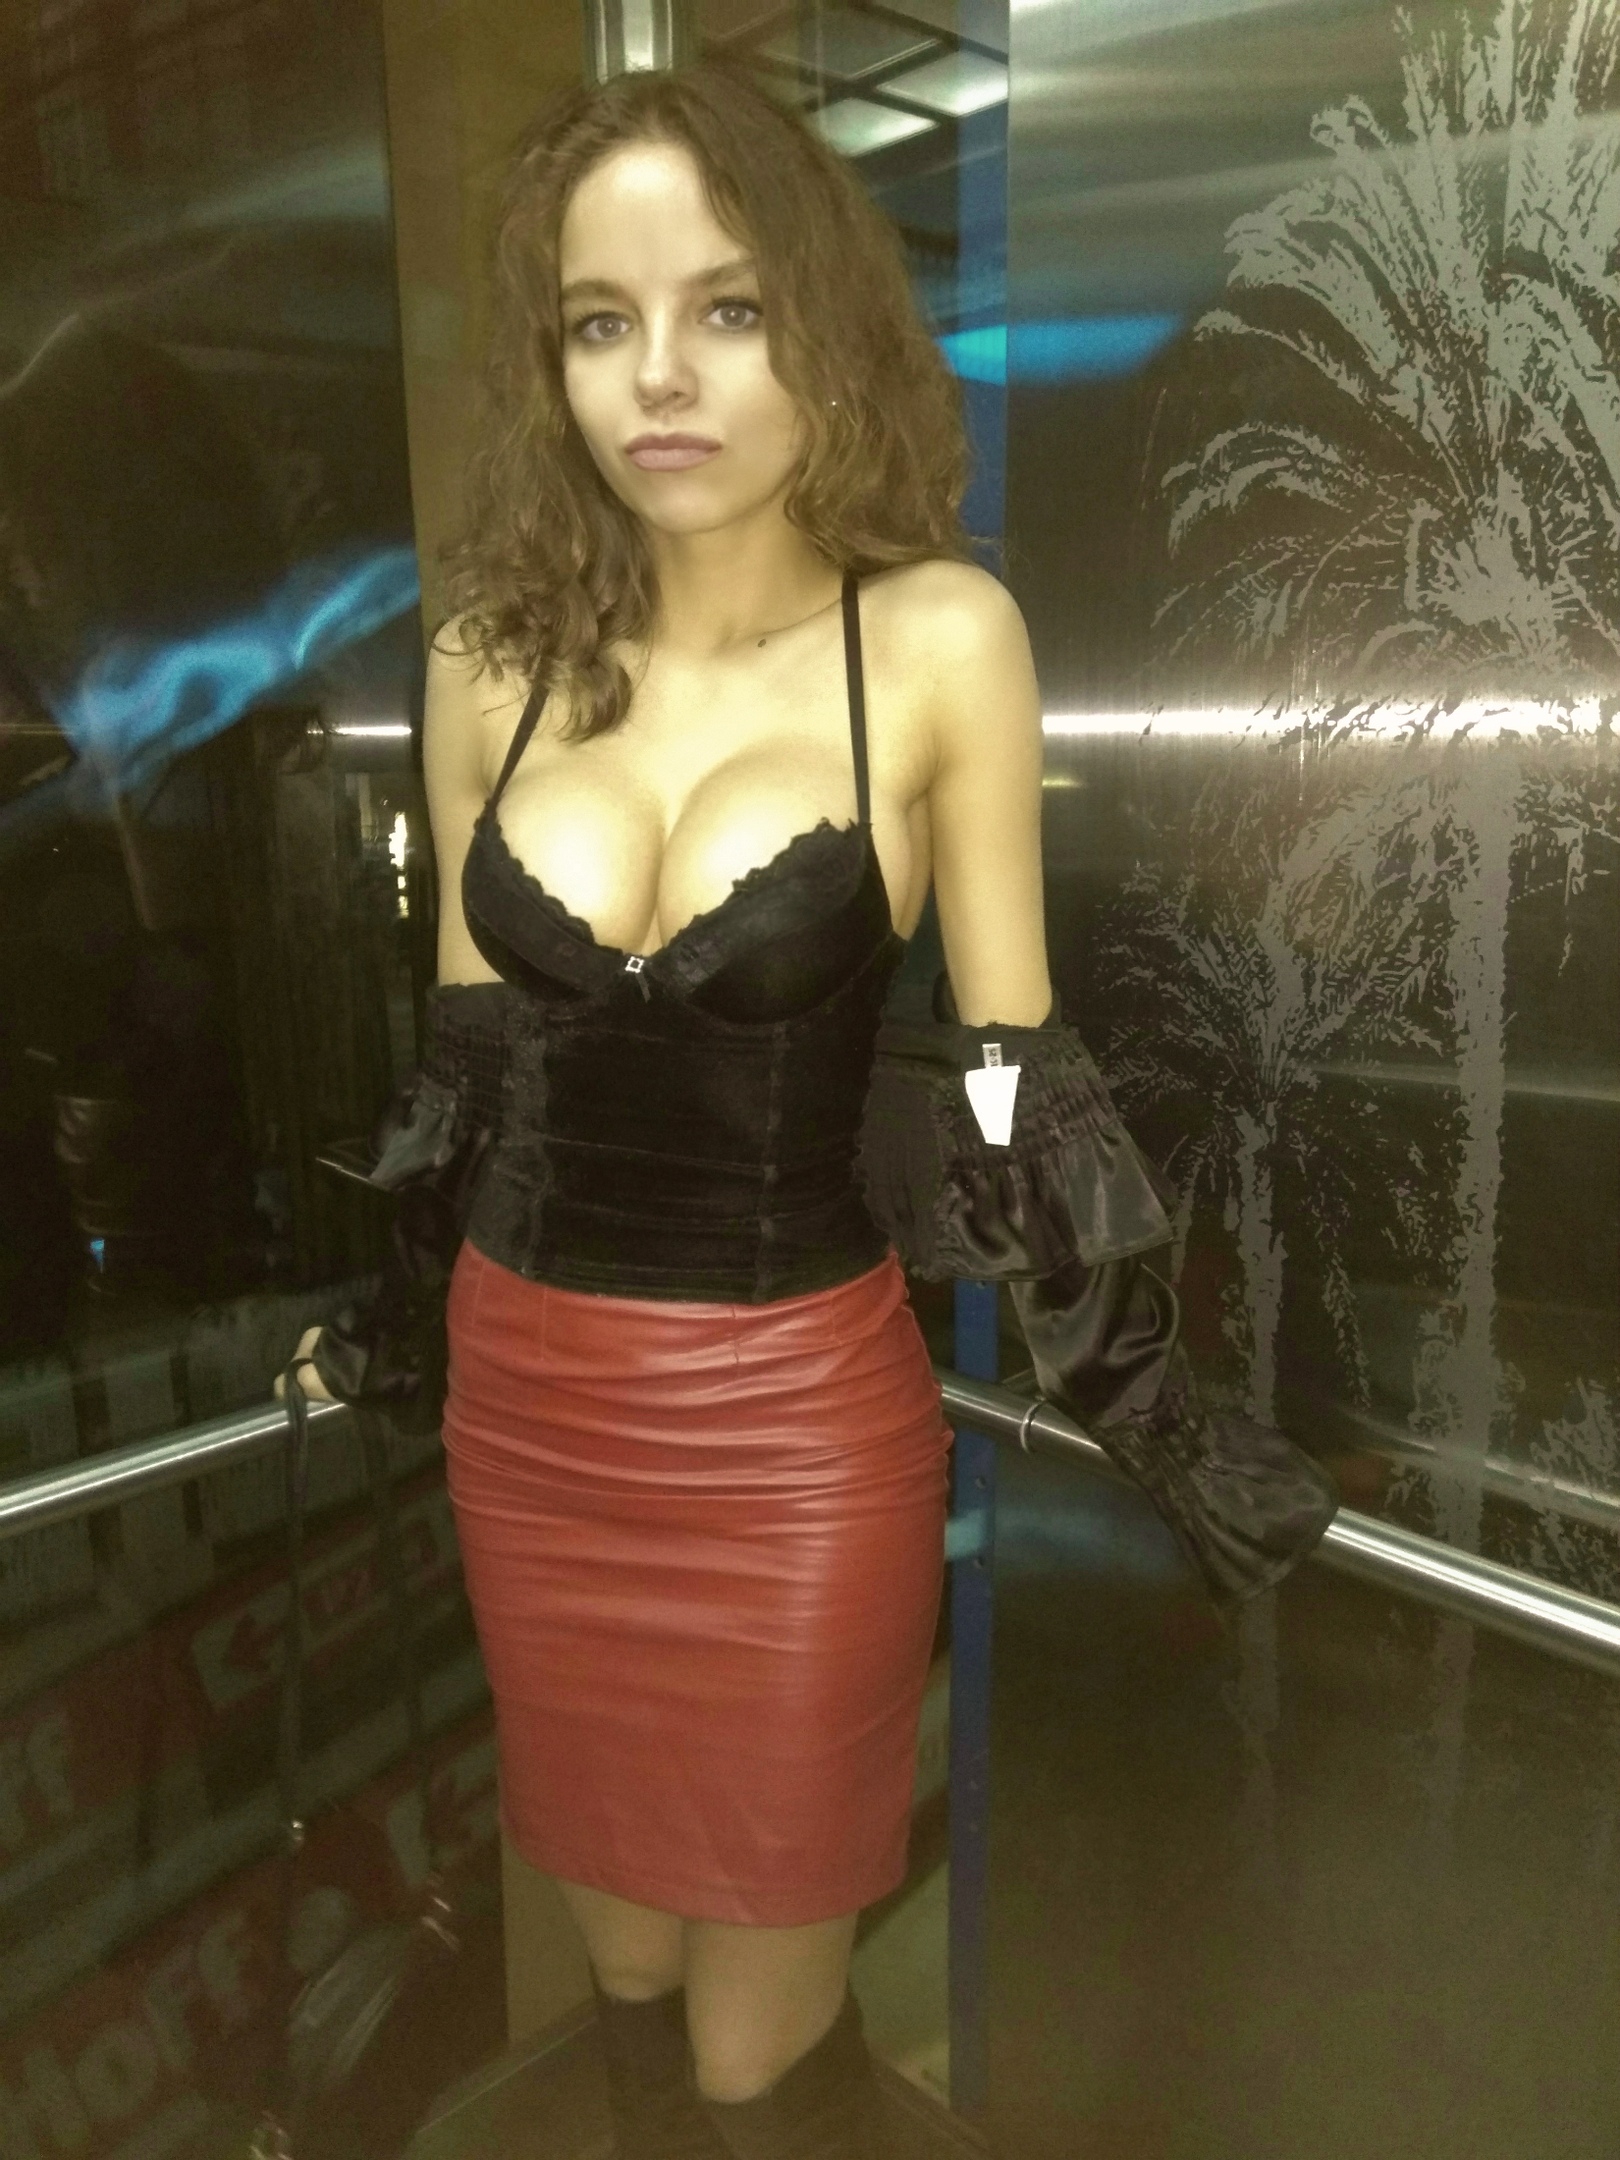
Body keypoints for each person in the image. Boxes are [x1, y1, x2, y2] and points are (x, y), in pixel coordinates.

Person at [280, 59, 1336, 2160]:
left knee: (761, 2055)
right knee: (629, 1992)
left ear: (826, 333)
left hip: (790, 1439)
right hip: (529, 1417)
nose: (659, 375)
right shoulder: (490, 661)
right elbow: (469, 1071)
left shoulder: (936, 640)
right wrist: (391, 1324)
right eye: (601, 321)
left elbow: (1014, 1066)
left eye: (729, 307)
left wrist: (1155, 1403)